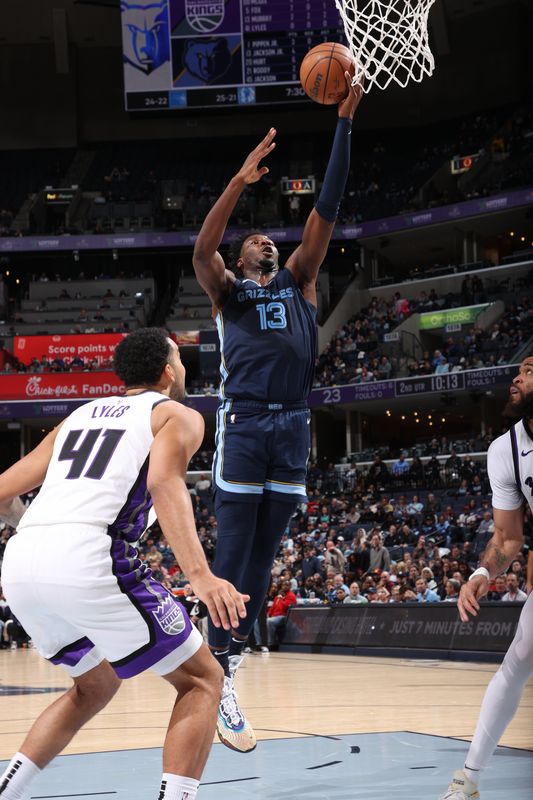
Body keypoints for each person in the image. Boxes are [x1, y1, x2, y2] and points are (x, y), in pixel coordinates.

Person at [0, 328, 248, 800]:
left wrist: (36, 528)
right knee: (202, 679)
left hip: (23, 558)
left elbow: (2, 491)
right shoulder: (177, 414)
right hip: (90, 553)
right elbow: (163, 483)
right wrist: (201, 576)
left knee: (93, 684)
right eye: (179, 358)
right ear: (167, 371)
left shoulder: (78, 415)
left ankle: (7, 792)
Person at [192, 75, 363, 752]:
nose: (263, 239)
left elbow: (328, 203)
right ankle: (213, 666)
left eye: (270, 236)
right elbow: (200, 251)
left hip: (293, 424)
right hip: (245, 423)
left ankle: (227, 667)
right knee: (232, 554)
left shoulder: (302, 280)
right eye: (253, 238)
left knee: (262, 560)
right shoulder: (228, 292)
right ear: (242, 258)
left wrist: (344, 121)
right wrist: (237, 182)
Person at [439, 356, 533, 799]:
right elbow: (507, 536)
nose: (517, 377)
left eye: (530, 370)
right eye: (518, 371)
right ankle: (468, 780)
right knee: (518, 657)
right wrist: (482, 572)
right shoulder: (505, 450)